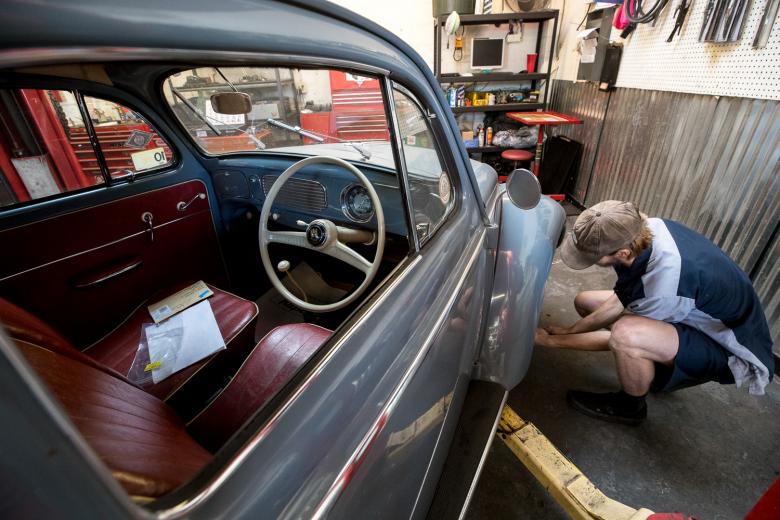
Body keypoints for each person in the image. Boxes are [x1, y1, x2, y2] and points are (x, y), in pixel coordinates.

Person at [535, 200, 774, 425]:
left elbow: (615, 338)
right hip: (696, 314)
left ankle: (631, 406)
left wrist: (553, 342)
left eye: (593, 256)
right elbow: (620, 299)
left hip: (729, 350)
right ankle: (654, 363)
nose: (587, 259)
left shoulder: (664, 285)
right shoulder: (644, 229)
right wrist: (569, 331)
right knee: (586, 302)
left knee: (626, 335)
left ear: (623, 254)